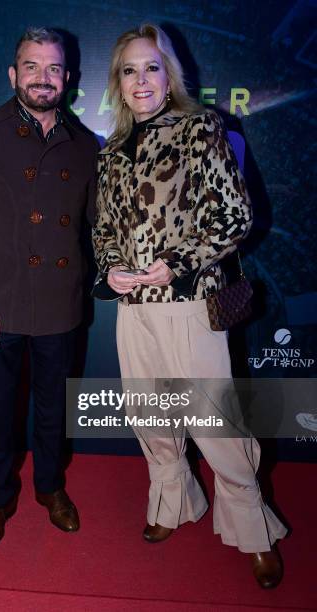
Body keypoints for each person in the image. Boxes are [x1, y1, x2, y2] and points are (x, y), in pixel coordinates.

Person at [92, 24, 287, 588]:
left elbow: (235, 218)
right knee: (150, 417)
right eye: (129, 70)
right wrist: (111, 268)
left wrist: (175, 263)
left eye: (151, 67)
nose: (141, 80)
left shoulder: (202, 129)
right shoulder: (111, 150)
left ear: (168, 73)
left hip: (190, 300)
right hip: (134, 307)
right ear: (119, 82)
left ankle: (253, 530)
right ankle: (173, 504)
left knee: (216, 422)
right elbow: (104, 229)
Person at [0, 27, 98, 550]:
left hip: (61, 302)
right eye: (31, 66)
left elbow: (95, 226)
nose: (42, 77)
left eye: (53, 68)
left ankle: (51, 489)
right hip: (0, 307)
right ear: (13, 75)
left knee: (56, 407)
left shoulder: (85, 146)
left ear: (68, 79)